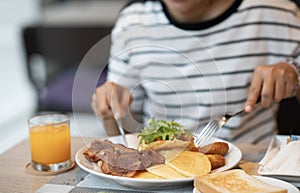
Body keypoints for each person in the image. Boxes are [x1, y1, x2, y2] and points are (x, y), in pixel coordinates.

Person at [92, 0, 300, 160]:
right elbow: (127, 137)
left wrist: (294, 72)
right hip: (160, 168)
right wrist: (110, 113)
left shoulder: (277, 12)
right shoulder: (133, 22)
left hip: (254, 164)